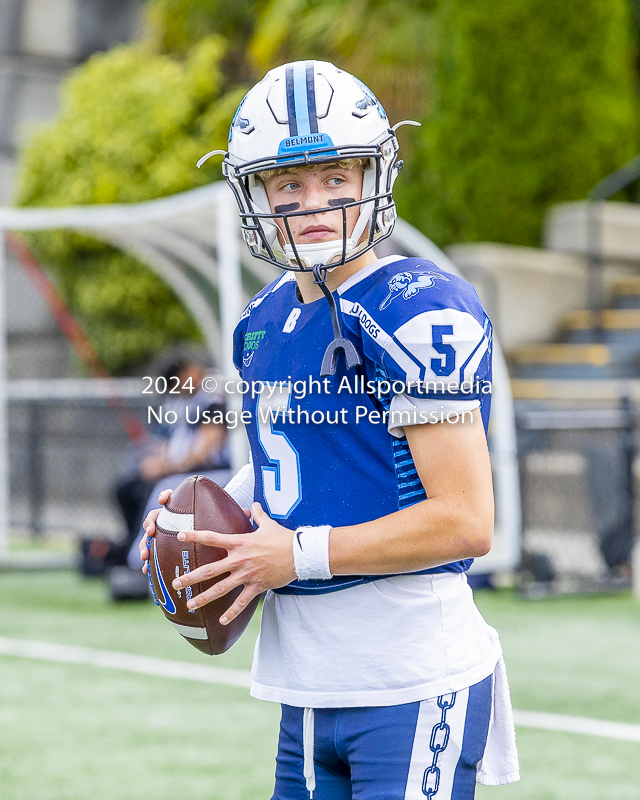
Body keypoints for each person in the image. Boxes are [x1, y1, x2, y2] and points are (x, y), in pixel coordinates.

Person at [140, 60, 519, 799]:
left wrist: (298, 555)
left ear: (373, 178)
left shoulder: (420, 307)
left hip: (410, 676)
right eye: (290, 184)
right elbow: (292, 467)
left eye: (336, 176)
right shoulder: (264, 321)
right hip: (307, 684)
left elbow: (467, 522)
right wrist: (206, 514)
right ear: (257, 194)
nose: (314, 202)